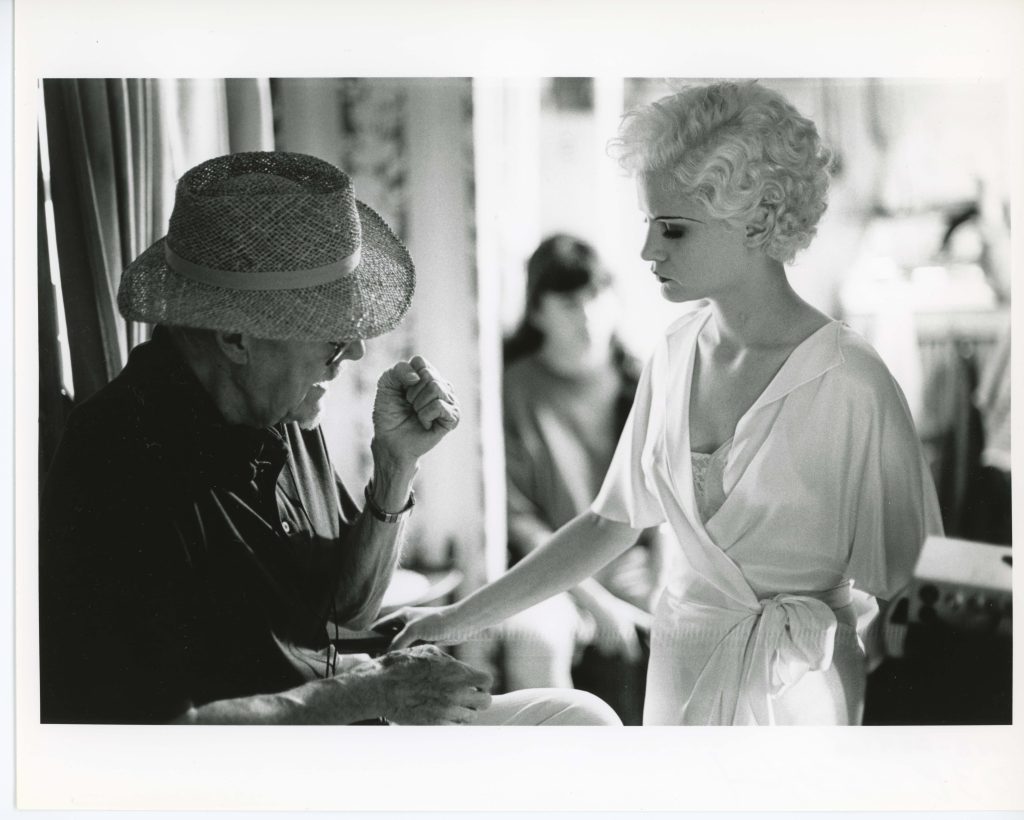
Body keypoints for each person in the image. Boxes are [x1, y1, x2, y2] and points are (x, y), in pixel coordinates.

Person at [388, 82, 944, 725]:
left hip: (797, 695)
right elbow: (610, 522)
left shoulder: (853, 382)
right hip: (677, 671)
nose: (649, 251)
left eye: (673, 229)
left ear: (758, 220)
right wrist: (455, 617)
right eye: (650, 225)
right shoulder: (675, 353)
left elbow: (912, 594)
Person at [38, 150, 620, 727]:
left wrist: (395, 468)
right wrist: (367, 696)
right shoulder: (118, 458)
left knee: (578, 718)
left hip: (342, 729)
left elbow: (347, 607)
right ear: (237, 336)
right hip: (258, 776)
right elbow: (150, 732)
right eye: (332, 339)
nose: (356, 354)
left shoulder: (278, 411)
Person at [499, 235, 663, 721]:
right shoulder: (512, 389)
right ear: (536, 312)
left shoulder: (643, 381)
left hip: (632, 559)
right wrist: (595, 597)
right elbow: (519, 522)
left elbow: (672, 498)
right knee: (537, 638)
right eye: (569, 301)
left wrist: (658, 575)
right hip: (553, 572)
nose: (588, 313)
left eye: (597, 295)